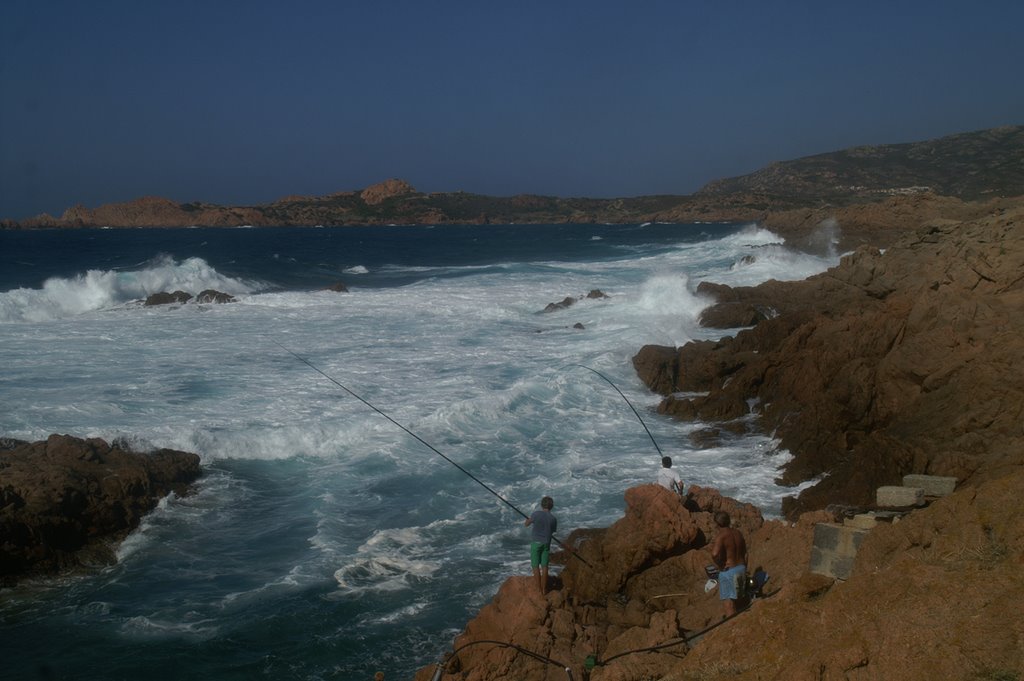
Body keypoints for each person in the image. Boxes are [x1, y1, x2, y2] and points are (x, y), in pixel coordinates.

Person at [710, 511, 748, 617]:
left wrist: (720, 565)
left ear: (717, 524)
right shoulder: (738, 533)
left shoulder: (721, 536)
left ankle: (733, 628)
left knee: (729, 604)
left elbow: (714, 554)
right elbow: (746, 553)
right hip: (741, 567)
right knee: (738, 599)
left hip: (729, 571)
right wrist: (744, 567)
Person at [524, 496, 557, 594]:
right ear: (551, 506)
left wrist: (529, 519)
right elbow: (552, 531)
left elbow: (526, 524)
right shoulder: (553, 519)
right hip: (546, 544)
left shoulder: (536, 514)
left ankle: (539, 590)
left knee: (535, 566)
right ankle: (544, 589)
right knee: (545, 566)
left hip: (536, 543)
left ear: (542, 505)